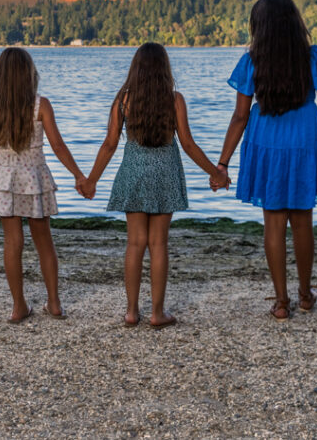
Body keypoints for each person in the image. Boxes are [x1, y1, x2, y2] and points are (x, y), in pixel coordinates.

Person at [80, 43, 228, 329]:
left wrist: (91, 180)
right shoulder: (175, 100)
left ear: (135, 69)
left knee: (135, 243)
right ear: (164, 69)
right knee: (159, 243)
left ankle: (131, 312)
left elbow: (110, 144)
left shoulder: (123, 100)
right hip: (165, 174)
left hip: (133, 173)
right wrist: (216, 173)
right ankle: (157, 313)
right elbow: (187, 144)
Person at [215, 0, 317, 321]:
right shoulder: (313, 57)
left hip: (266, 142)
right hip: (304, 140)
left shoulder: (252, 61)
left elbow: (240, 116)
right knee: (302, 222)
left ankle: (281, 302)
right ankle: (305, 294)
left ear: (261, 27)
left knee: (273, 222)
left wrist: (223, 162)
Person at [0, 48, 86, 323]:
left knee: (12, 243)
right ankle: (54, 303)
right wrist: (78, 175)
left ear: (0, 76)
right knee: (44, 242)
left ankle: (18, 307)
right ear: (29, 74)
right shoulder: (41, 106)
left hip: (4, 180)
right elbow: (58, 146)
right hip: (35, 179)